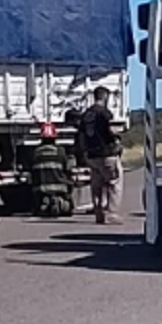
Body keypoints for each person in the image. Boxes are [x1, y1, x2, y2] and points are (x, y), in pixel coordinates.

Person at [77, 86, 121, 224]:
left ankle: (99, 214)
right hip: (106, 153)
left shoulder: (86, 114)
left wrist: (84, 152)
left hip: (91, 155)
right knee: (114, 184)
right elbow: (111, 132)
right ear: (105, 97)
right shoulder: (105, 113)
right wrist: (117, 143)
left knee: (96, 187)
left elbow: (82, 136)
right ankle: (112, 214)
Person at [30, 123, 74, 218]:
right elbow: (67, 168)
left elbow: (32, 169)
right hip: (60, 187)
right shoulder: (60, 151)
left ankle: (42, 206)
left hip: (41, 188)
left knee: (37, 208)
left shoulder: (36, 152)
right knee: (68, 210)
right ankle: (62, 203)